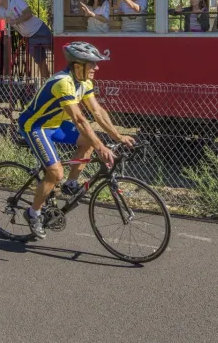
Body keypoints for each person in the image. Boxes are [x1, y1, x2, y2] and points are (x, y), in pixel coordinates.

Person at [17, 41, 135, 239]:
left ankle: (71, 183)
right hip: (36, 126)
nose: (96, 68)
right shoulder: (63, 82)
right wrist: (101, 147)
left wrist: (118, 136)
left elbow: (97, 112)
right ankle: (33, 213)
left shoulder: (85, 83)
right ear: (77, 65)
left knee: (87, 141)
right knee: (55, 172)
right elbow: (79, 120)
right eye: (92, 64)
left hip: (56, 124)